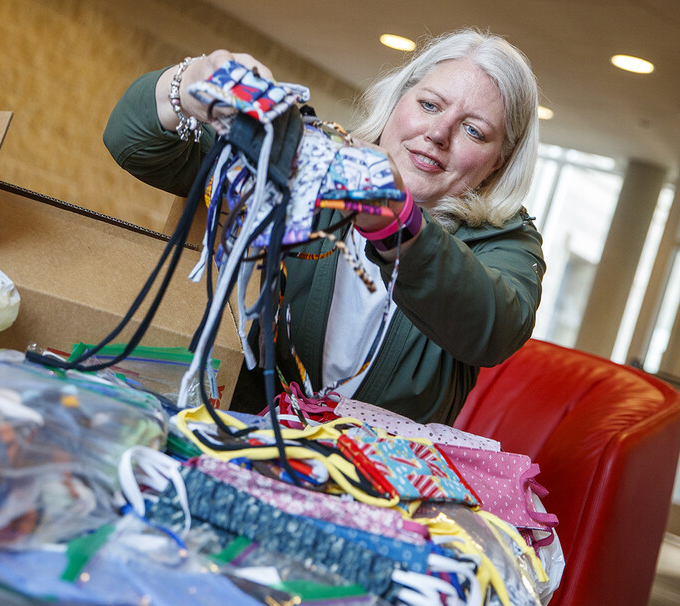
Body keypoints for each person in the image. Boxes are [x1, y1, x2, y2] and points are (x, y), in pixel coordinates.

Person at [102, 28, 545, 425]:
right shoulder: (310, 163)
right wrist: (189, 84)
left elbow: (495, 327)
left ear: (497, 163)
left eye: (473, 131)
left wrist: (397, 219)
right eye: (429, 105)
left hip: (376, 493)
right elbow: (134, 143)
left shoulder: (507, 238)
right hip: (241, 443)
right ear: (397, 102)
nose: (438, 133)